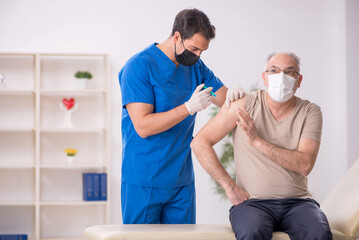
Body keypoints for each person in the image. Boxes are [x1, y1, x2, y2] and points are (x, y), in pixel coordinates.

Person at [118, 8, 244, 224]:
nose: (197, 56)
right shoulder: (139, 66)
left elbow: (225, 99)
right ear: (177, 36)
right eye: (194, 48)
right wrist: (188, 107)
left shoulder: (195, 67)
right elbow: (143, 126)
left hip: (180, 181)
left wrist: (236, 95)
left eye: (202, 51)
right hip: (144, 178)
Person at [191, 52, 333, 239]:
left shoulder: (310, 112)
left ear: (299, 81)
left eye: (289, 72)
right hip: (253, 203)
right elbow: (200, 142)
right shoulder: (243, 105)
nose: (281, 77)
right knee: (252, 232)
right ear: (264, 78)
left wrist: (257, 141)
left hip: (298, 203)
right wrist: (229, 186)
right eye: (274, 71)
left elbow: (305, 165)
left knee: (319, 233)